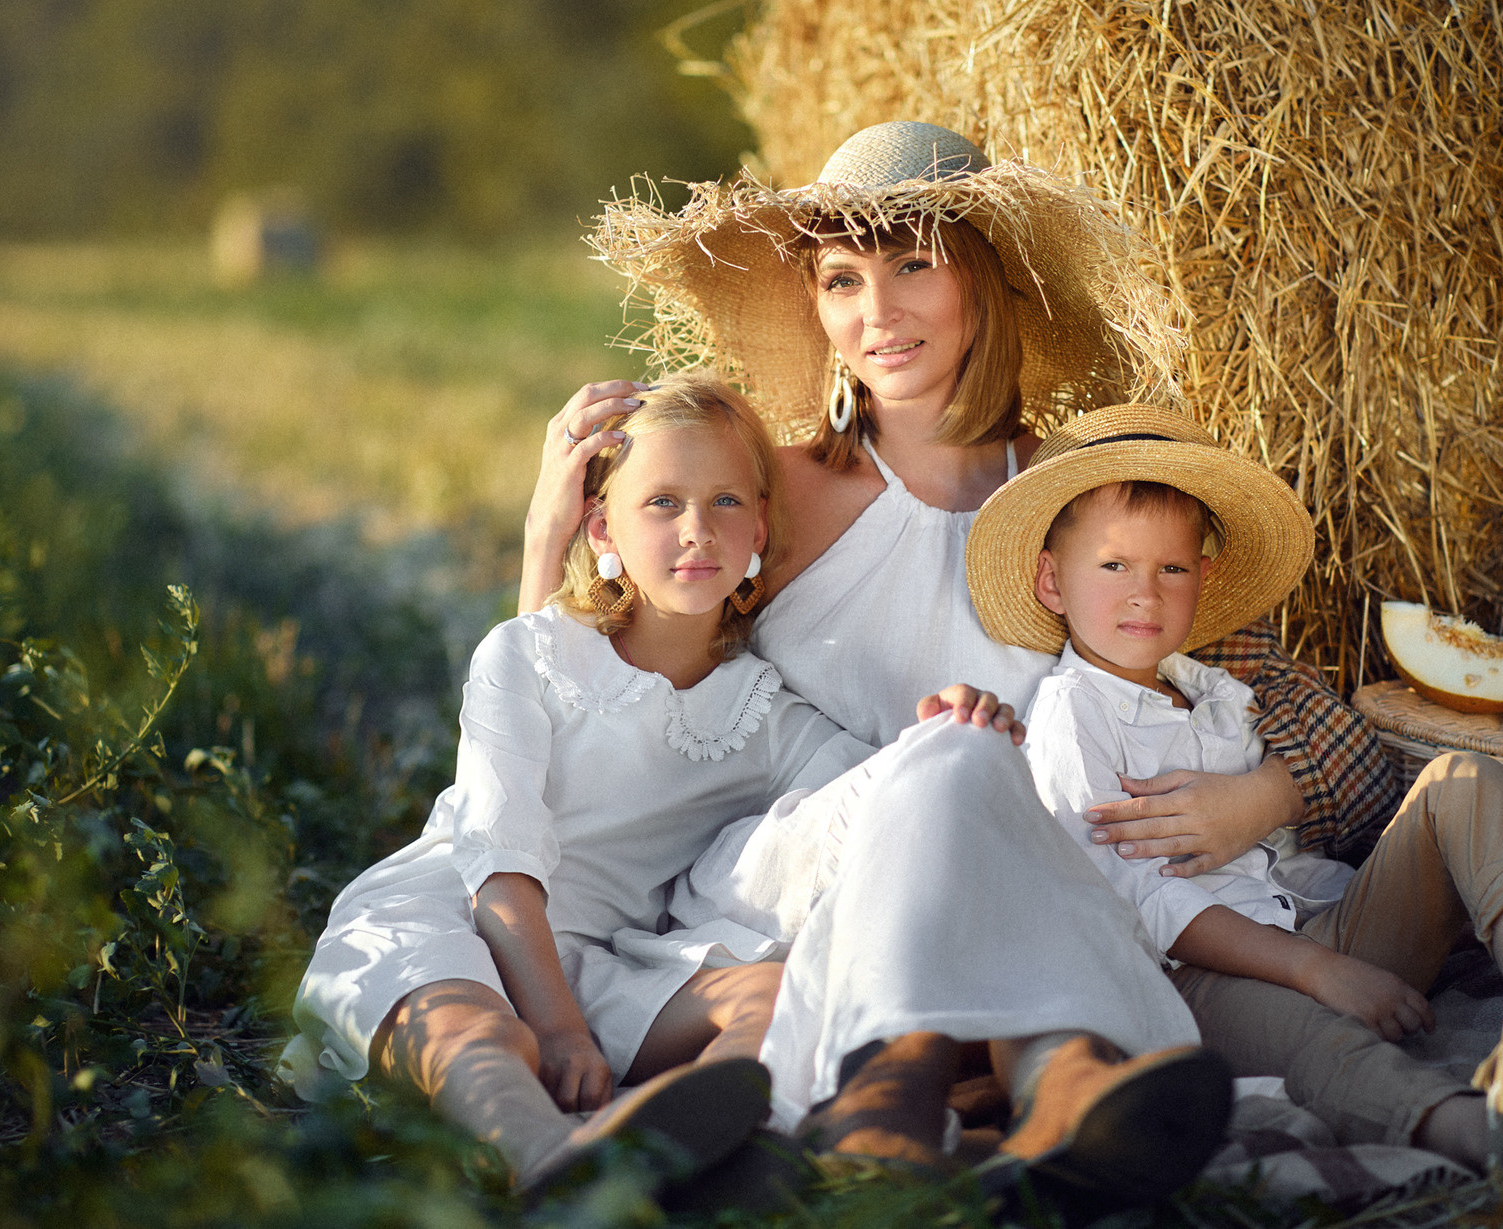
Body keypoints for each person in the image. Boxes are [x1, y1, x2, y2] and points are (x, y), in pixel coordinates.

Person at [520, 122, 1252, 1203]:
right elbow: (565, 695)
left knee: (969, 771)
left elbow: (1239, 688)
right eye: (841, 279)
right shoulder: (773, 486)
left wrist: (1260, 795)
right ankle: (1009, 1072)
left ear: (983, 279)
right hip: (797, 862)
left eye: (913, 265)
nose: (876, 314)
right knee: (949, 754)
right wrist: (547, 529)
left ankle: (921, 1098)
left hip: (1029, 862)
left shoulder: (1074, 488)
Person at [280, 373, 1015, 1196]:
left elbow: (880, 794)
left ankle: (712, 1133)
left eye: (726, 502)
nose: (698, 531)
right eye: (662, 503)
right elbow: (501, 866)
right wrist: (556, 1031)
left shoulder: (764, 712)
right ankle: (550, 1166)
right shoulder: (526, 655)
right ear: (604, 527)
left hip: (603, 962)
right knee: (479, 1036)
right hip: (455, 912)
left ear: (762, 527)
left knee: (770, 993)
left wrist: (952, 724)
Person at [964, 401, 1503, 1205]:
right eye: (1114, 566)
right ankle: (1496, 1139)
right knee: (1320, 1040)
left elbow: (1361, 774)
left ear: (1204, 578)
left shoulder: (1218, 688)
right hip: (1193, 977)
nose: (1145, 594)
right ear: (1052, 581)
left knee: (1467, 777)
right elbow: (1135, 899)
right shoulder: (1071, 713)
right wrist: (1319, 970)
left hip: (1315, 930)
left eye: (1171, 568)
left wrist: (1276, 814)